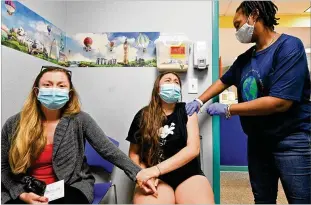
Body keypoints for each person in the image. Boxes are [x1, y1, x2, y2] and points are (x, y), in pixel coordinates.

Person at [186, 1, 311, 204]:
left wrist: (229, 108)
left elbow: (280, 102)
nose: (237, 31)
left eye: (238, 24)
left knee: (301, 200)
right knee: (262, 199)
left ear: (254, 15)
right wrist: (199, 100)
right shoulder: (246, 58)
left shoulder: (289, 47)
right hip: (258, 141)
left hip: (290, 140)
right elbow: (223, 80)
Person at [1, 66, 156, 204]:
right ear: (36, 91)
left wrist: (138, 173)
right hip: (27, 188)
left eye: (61, 86)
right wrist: (21, 193)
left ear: (69, 93)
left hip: (70, 186)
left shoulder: (80, 120)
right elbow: (3, 167)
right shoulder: (14, 124)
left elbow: (108, 150)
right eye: (47, 85)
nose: (54, 90)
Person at [127, 72, 214, 204]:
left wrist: (156, 169)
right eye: (168, 81)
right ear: (158, 88)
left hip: (187, 175)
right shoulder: (142, 115)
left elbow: (193, 149)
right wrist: (144, 174)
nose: (172, 84)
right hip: (155, 177)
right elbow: (133, 154)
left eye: (176, 82)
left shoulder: (187, 111)